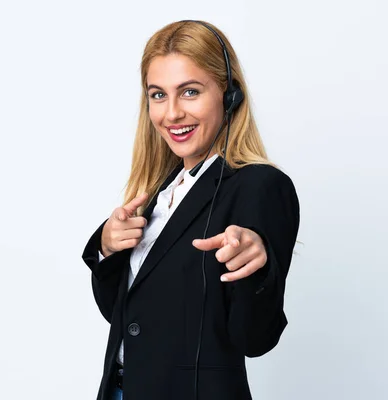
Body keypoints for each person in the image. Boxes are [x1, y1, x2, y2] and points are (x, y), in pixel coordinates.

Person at [82, 20, 300, 400]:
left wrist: (257, 266)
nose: (172, 114)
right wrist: (108, 247)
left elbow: (256, 337)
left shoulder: (259, 186)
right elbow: (126, 317)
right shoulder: (157, 194)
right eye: (158, 95)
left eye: (190, 92)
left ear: (229, 95)